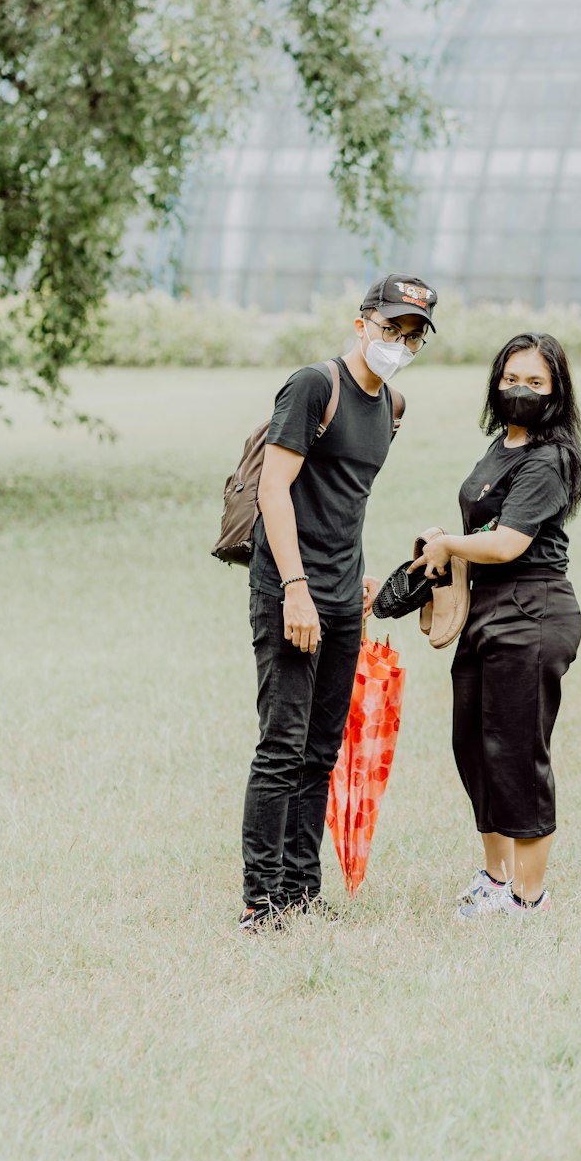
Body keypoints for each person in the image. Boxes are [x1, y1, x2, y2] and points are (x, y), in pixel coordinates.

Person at [240, 274, 438, 931]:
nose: (399, 344)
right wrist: (295, 588)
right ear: (362, 324)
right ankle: (260, 900)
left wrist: (355, 579)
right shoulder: (314, 387)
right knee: (282, 744)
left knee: (322, 749)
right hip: (290, 590)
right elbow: (274, 490)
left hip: (342, 597)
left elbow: (346, 496)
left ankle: (300, 890)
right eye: (390, 329)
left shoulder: (394, 406)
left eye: (412, 335)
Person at [413, 332, 581, 920]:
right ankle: (494, 878)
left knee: (516, 753)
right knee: (474, 748)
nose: (521, 390)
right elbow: (485, 525)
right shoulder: (500, 445)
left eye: (536, 383)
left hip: (531, 611)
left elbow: (510, 543)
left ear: (556, 392)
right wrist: (448, 542)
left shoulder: (551, 457)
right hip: (486, 610)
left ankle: (528, 898)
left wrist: (447, 544)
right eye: (512, 378)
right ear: (495, 382)